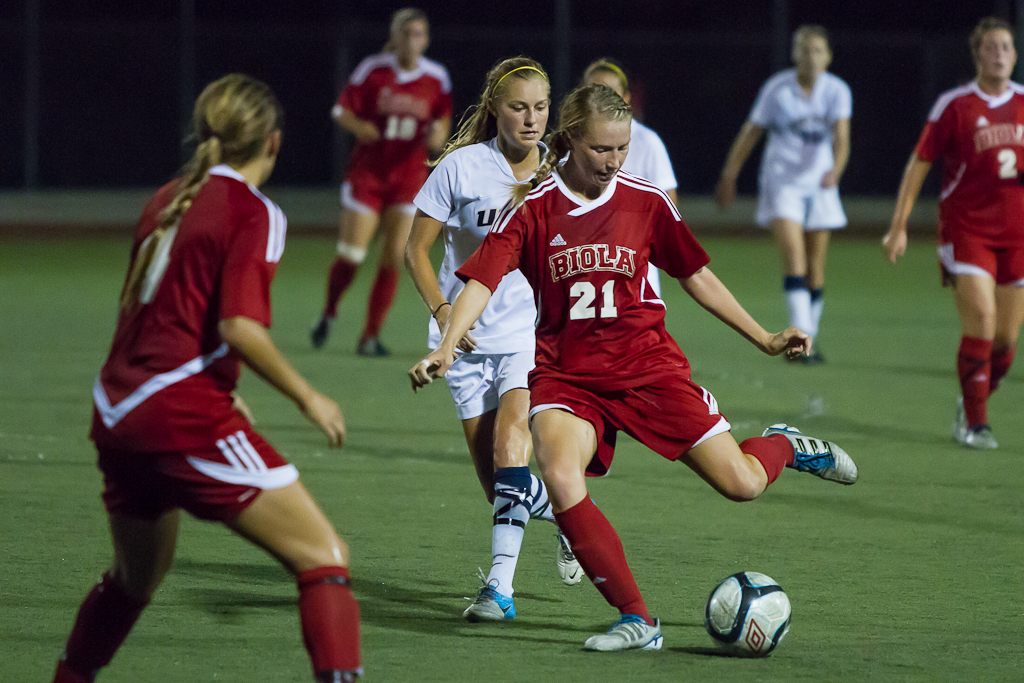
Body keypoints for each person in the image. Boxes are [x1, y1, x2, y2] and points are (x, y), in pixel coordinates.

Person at [409, 83, 858, 652]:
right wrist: (448, 343)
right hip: (567, 376)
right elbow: (482, 280)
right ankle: (638, 619)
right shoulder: (533, 207)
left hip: (648, 368)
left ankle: (787, 447)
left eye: (622, 149)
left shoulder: (646, 201)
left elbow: (694, 276)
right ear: (569, 140)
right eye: (602, 150)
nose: (614, 162)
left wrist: (765, 337)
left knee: (741, 484)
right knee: (559, 470)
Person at [52, 75, 361, 683]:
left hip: (116, 409)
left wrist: (224, 384)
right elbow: (240, 325)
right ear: (272, 143)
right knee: (325, 558)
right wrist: (309, 397)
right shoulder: (256, 210)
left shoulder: (169, 196)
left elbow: (159, 312)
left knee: (134, 580)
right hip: (178, 412)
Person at [405, 57, 581, 623]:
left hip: (531, 336)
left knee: (512, 450)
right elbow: (415, 251)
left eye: (539, 108)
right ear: (494, 110)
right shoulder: (459, 168)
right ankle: (572, 514)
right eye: (517, 108)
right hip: (465, 341)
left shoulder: (562, 172)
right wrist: (443, 312)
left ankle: (497, 594)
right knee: (500, 486)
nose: (531, 120)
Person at [883, 17, 1024, 450]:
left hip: (1017, 235)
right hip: (968, 229)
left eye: (1006, 47)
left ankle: (972, 399)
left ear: (1015, 56)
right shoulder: (955, 105)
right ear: (977, 54)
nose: (999, 53)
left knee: (1006, 340)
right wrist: (899, 225)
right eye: (991, 47)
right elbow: (919, 162)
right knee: (981, 319)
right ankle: (976, 424)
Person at [312, 7, 452, 356]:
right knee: (352, 253)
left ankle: (370, 336)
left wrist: (439, 136)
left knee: (394, 256)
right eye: (407, 34)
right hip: (369, 174)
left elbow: (442, 117)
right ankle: (329, 311)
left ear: (426, 39)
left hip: (409, 177)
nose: (413, 41)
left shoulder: (436, 77)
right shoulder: (374, 70)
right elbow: (341, 110)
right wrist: (361, 128)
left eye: (420, 34)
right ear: (395, 37)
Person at [715, 25, 852, 364]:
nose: (811, 56)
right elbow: (751, 133)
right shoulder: (778, 89)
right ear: (794, 54)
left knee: (815, 269)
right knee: (795, 260)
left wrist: (836, 168)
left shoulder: (836, 91)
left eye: (818, 50)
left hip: (820, 184)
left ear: (829, 57)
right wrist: (730, 173)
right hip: (783, 183)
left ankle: (808, 337)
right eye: (804, 49)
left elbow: (842, 139)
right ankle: (800, 342)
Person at [582, 58, 678, 297]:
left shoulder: (647, 142)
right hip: (582, 275)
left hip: (635, 273)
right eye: (593, 91)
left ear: (626, 97)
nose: (601, 100)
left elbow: (669, 213)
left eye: (610, 93)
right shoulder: (568, 144)